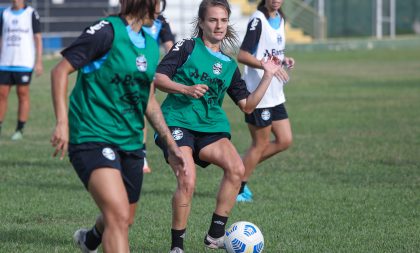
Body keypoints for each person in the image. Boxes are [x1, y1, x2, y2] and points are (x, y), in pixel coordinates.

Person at [50, 0, 185, 252]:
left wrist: (171, 144)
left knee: (125, 217)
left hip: (131, 143)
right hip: (92, 136)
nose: (161, 10)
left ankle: (90, 239)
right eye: (158, 3)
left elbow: (148, 100)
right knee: (118, 215)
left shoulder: (149, 44)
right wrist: (62, 123)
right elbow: (59, 72)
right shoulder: (105, 31)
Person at [153, 0, 288, 252]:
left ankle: (215, 235)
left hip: (210, 126)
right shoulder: (187, 46)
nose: (219, 25)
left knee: (237, 168)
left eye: (223, 20)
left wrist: (268, 75)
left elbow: (248, 105)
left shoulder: (228, 64)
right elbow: (159, 77)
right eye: (213, 20)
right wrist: (186, 88)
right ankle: (177, 247)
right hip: (177, 122)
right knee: (187, 178)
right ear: (201, 23)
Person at [236, 0, 295, 202]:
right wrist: (266, 65)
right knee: (259, 144)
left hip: (275, 93)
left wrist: (283, 60)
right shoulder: (257, 20)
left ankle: (236, 170)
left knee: (285, 140)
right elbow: (242, 55)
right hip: (258, 93)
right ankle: (238, 187)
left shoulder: (280, 18)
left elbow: (271, 51)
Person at [0, 0, 43, 140]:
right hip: (5, 61)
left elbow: (37, 38)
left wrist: (39, 61)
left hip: (24, 61)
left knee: (22, 93)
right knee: (2, 94)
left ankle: (20, 129)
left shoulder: (31, 13)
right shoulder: (5, 13)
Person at [141, 0, 175, 174]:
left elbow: (170, 47)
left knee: (143, 109)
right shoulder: (135, 21)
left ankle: (142, 154)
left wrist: (172, 67)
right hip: (132, 71)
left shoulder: (161, 21)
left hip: (149, 74)